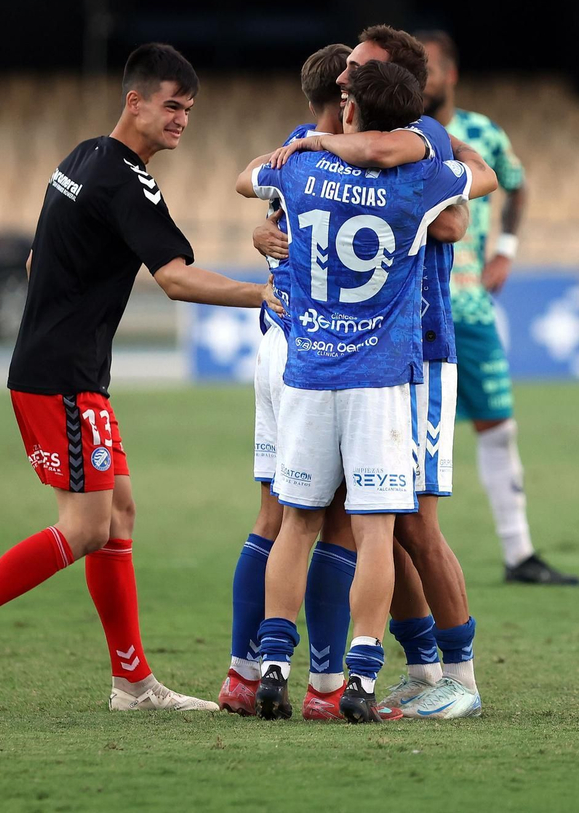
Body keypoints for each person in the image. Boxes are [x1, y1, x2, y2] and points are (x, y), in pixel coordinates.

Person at [0, 43, 277, 714]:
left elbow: (33, 260)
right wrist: (262, 295)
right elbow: (175, 279)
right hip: (63, 379)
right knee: (83, 527)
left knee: (119, 512)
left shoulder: (81, 158)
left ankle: (132, 684)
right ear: (134, 101)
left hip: (61, 370)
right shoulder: (124, 180)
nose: (181, 120)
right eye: (171, 105)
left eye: (188, 109)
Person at [238, 59, 496, 723]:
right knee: (376, 529)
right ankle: (361, 678)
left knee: (298, 520)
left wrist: (307, 154)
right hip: (380, 377)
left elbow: (248, 179)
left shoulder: (298, 164)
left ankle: (270, 666)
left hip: (309, 367)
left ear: (350, 107)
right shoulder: (420, 178)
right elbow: (474, 197)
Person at [220, 42, 365, 721]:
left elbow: (246, 180)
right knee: (333, 523)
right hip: (327, 356)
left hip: (274, 346)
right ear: (346, 95)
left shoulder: (291, 153)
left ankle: (244, 675)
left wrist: (261, 228)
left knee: (272, 517)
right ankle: (326, 687)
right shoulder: (360, 157)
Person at [416, 30, 579, 586]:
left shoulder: (483, 132)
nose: (423, 78)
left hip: (471, 305)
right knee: (404, 435)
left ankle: (519, 554)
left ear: (451, 73)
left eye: (430, 68)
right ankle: (395, 551)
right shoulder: (399, 134)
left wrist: (505, 251)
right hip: (413, 307)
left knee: (498, 428)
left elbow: (517, 183)